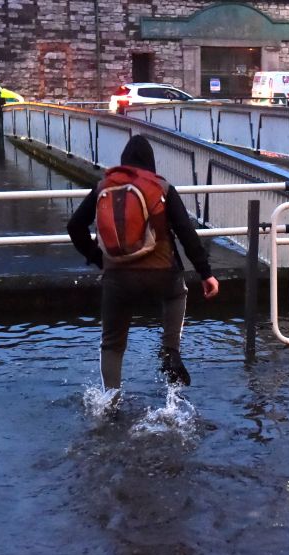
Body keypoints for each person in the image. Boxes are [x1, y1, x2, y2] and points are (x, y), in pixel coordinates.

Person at [67, 135, 219, 404]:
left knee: (112, 343)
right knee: (177, 294)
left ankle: (109, 403)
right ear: (150, 162)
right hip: (161, 274)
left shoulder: (103, 186)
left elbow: (75, 227)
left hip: (117, 278)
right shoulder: (160, 187)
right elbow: (186, 232)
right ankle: (170, 352)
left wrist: (97, 258)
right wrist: (206, 273)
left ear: (124, 161)